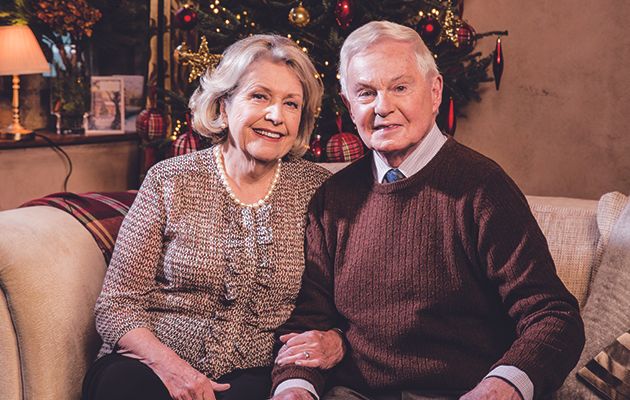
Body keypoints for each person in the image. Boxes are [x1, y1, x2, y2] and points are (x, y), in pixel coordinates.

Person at [270, 21, 585, 400]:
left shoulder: (482, 187)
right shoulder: (334, 195)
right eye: (366, 93)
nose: (383, 107)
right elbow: (311, 323)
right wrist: (295, 387)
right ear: (348, 105)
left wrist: (500, 387)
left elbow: (553, 316)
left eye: (400, 87)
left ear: (435, 92)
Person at [82, 34, 345, 400]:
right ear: (223, 106)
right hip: (150, 368)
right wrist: (172, 369)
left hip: (255, 376)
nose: (276, 116)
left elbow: (341, 301)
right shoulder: (170, 179)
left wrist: (335, 340)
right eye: (259, 96)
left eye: (291, 104)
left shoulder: (318, 190)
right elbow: (116, 306)